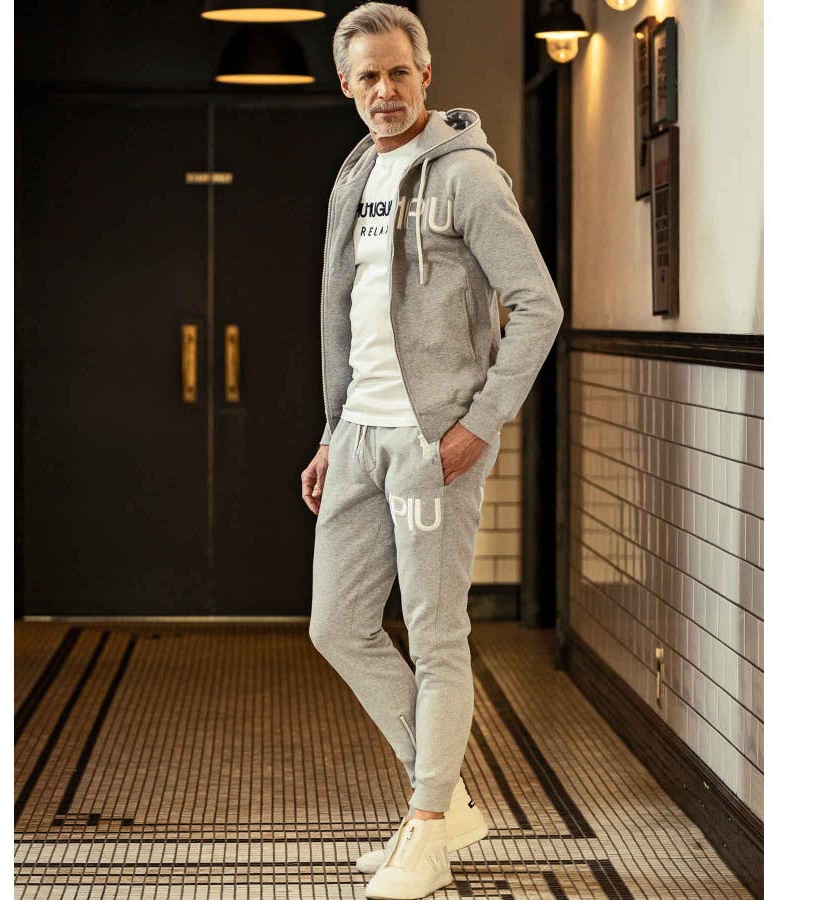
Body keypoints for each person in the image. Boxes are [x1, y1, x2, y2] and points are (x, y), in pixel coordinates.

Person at [300, 4, 563, 898]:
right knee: (337, 624)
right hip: (358, 435)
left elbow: (538, 306)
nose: (385, 90)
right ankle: (442, 802)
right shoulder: (355, 173)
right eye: (367, 76)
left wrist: (477, 425)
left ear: (426, 75)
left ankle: (425, 826)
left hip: (431, 443)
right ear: (347, 85)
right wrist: (331, 432)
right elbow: (348, 314)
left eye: (398, 72)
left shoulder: (468, 178)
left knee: (436, 633)